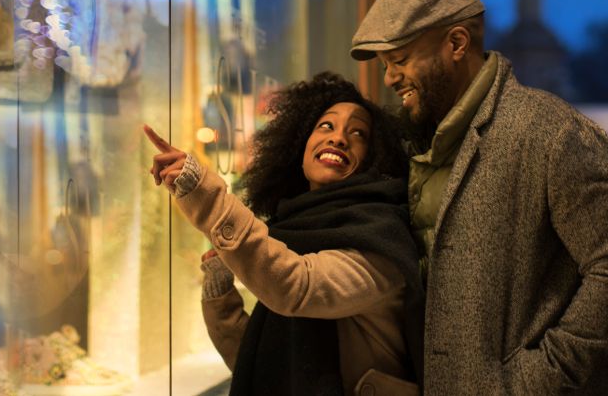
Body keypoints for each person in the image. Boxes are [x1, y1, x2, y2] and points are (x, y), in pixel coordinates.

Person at [349, 0, 608, 395]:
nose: (389, 78)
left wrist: (537, 381)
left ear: (456, 43)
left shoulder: (551, 131)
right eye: (384, 64)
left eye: (399, 60)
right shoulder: (417, 144)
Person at [144, 73, 424, 396]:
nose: (338, 138)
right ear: (299, 147)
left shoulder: (381, 237)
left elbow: (297, 286)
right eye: (326, 126)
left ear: (375, 158)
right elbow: (261, 365)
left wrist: (203, 194)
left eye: (358, 133)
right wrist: (221, 295)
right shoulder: (291, 228)